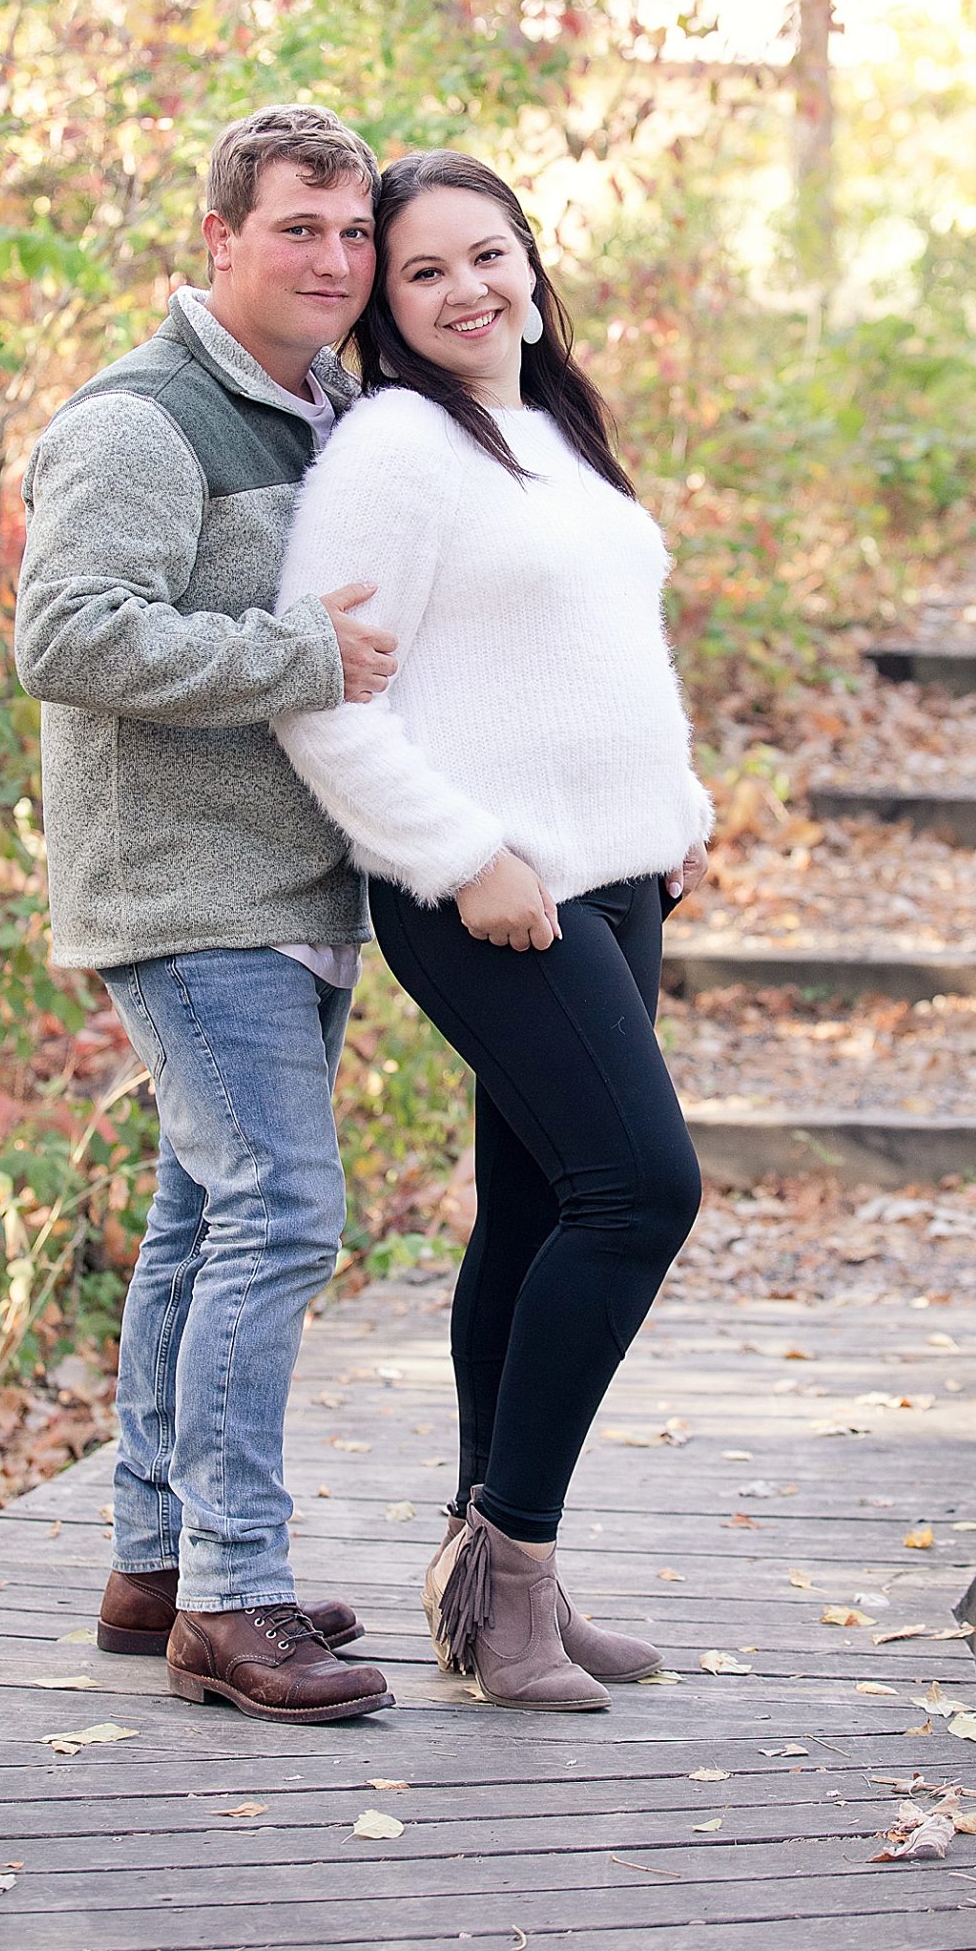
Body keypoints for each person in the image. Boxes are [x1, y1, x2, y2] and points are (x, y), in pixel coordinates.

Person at [274, 151, 712, 1712]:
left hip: (609, 876)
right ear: (386, 310)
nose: (469, 289)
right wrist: (462, 856)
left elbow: (600, 647)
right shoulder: (397, 446)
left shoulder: (550, 424)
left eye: (488, 253)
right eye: (424, 273)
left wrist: (676, 815)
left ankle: (494, 1587)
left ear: (531, 255)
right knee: (640, 1190)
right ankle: (508, 1564)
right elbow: (324, 693)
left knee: (534, 1216)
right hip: (485, 892)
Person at [14, 104, 399, 1725]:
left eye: (353, 230)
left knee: (199, 1223)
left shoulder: (330, 410)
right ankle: (236, 1599)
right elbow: (69, 634)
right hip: (185, 897)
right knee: (279, 1219)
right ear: (222, 240)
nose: (333, 259)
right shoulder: (142, 422)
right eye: (298, 227)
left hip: (288, 887)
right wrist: (292, 656)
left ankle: (158, 1563)